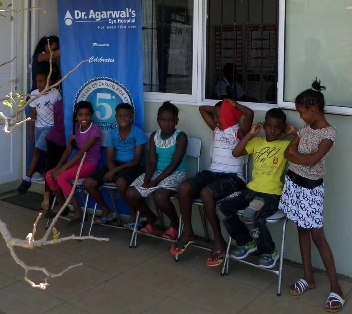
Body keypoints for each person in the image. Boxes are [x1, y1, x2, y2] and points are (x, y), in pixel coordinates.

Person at [281, 80, 345, 312]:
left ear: (314, 109)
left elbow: (311, 161)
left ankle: (336, 288)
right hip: (294, 183)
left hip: (311, 189)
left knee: (317, 235)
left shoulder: (329, 134)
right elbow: (288, 153)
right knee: (302, 229)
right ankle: (308, 277)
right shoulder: (305, 129)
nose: (300, 117)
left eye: (302, 112)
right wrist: (299, 157)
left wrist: (297, 156)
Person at [170, 99, 253, 266]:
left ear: (229, 116)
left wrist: (233, 106)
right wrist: (220, 110)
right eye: (214, 116)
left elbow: (249, 114)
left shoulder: (239, 132)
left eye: (219, 117)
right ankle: (188, 232)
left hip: (233, 178)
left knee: (206, 193)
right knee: (184, 187)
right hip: (212, 173)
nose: (215, 120)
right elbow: (202, 108)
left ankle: (218, 240)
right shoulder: (216, 129)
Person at [216, 108, 296, 268]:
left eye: (277, 128)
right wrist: (250, 134)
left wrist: (295, 132)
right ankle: (246, 241)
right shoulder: (256, 142)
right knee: (221, 206)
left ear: (283, 129)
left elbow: (306, 145)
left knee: (249, 214)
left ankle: (268, 252)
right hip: (250, 191)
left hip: (270, 195)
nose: (272, 131)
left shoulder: (286, 145)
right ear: (264, 126)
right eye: (269, 126)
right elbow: (236, 152)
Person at [125, 101, 188, 237]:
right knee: (131, 193)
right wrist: (147, 179)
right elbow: (152, 160)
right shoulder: (155, 136)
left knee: (160, 196)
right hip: (156, 172)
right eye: (163, 120)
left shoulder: (181, 136)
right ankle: (151, 218)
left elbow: (174, 163)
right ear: (158, 121)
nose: (167, 124)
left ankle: (175, 225)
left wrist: (156, 181)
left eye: (170, 121)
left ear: (176, 121)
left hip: (175, 173)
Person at [83, 103, 146, 225]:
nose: (123, 118)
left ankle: (133, 213)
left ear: (132, 116)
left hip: (133, 166)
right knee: (88, 182)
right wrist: (112, 168)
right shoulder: (112, 133)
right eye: (120, 116)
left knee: (121, 183)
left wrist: (114, 171)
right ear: (116, 117)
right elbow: (109, 156)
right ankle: (106, 211)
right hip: (116, 164)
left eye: (126, 116)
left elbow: (136, 160)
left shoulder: (138, 133)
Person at [45, 101, 101, 226]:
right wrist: (58, 167)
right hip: (78, 163)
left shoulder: (95, 129)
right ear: (76, 116)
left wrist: (62, 169)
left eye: (87, 114)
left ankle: (77, 210)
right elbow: (68, 150)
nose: (84, 118)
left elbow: (82, 152)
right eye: (80, 115)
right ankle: (62, 205)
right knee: (49, 175)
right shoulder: (76, 129)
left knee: (61, 177)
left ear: (91, 115)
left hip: (90, 164)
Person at [17, 70, 62, 194]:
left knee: (37, 150)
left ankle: (27, 179)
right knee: (40, 151)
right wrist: (31, 130)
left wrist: (57, 129)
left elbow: (58, 113)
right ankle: (41, 173)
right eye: (37, 81)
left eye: (41, 81)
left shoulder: (56, 94)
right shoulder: (34, 94)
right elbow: (33, 113)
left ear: (49, 81)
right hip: (38, 126)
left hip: (50, 127)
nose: (38, 84)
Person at [41, 96, 66, 209]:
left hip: (55, 138)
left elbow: (57, 122)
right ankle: (51, 197)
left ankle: (50, 197)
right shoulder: (63, 103)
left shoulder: (59, 103)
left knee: (52, 167)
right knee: (54, 168)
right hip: (59, 139)